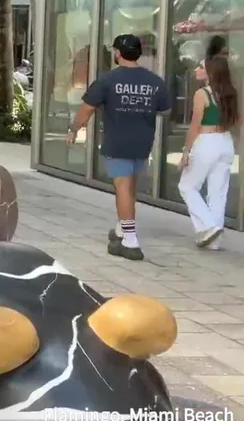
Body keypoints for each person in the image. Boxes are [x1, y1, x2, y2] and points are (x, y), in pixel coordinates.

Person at [68, 34, 171, 261]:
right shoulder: (155, 81)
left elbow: (86, 109)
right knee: (130, 186)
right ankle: (122, 229)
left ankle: (130, 240)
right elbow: (165, 110)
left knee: (122, 188)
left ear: (117, 53)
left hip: (117, 142)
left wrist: (74, 129)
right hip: (143, 142)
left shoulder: (107, 80)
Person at [178, 55, 239, 250]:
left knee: (187, 186)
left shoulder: (202, 94)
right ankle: (214, 241)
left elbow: (195, 125)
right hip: (225, 141)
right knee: (218, 192)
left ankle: (209, 227)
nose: (197, 70)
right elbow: (237, 119)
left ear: (211, 72)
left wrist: (186, 151)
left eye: (201, 67)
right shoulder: (230, 93)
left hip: (207, 141)